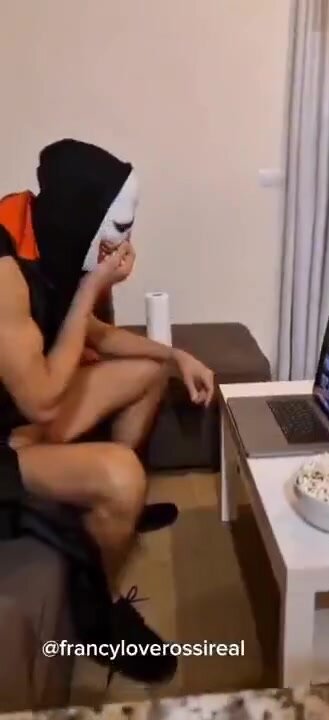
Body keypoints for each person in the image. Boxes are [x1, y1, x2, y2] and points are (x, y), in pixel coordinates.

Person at [0, 139, 214, 682]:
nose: (125, 244)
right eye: (118, 227)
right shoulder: (5, 273)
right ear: (80, 214)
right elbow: (42, 399)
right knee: (122, 477)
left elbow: (92, 332)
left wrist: (175, 356)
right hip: (10, 434)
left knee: (148, 373)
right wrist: (92, 286)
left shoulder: (50, 238)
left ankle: (110, 509)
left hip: (20, 416)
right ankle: (101, 614)